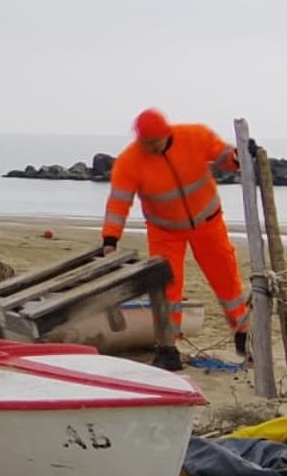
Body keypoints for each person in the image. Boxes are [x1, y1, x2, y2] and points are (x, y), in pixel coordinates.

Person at [99, 108, 252, 372]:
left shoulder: (195, 136)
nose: (151, 147)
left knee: (227, 282)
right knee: (166, 289)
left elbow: (224, 156)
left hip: (208, 223)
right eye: (146, 142)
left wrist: (239, 157)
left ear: (166, 133)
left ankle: (244, 335)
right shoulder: (129, 161)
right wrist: (110, 238)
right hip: (164, 231)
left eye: (155, 142)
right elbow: (118, 202)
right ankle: (168, 346)